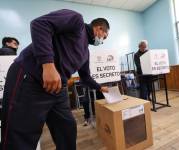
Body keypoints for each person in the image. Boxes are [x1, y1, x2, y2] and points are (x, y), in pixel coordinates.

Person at [2, 9, 109, 150]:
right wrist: (48, 64)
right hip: (31, 78)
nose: (102, 41)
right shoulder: (77, 21)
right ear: (99, 28)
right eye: (104, 37)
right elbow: (40, 24)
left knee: (67, 130)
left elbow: (85, 76)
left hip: (58, 90)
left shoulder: (85, 52)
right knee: (21, 137)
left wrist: (100, 88)